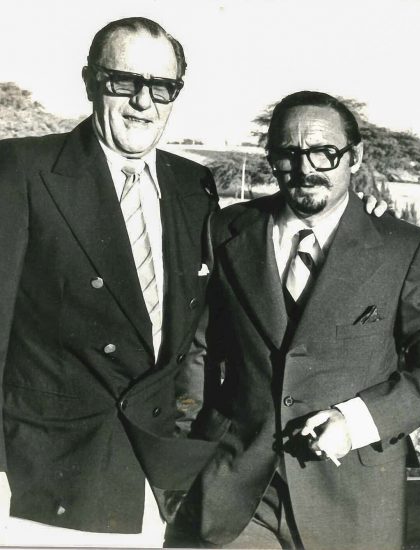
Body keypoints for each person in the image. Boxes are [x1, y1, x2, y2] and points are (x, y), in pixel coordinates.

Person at [167, 91, 420, 550]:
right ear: (271, 158)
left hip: (353, 504)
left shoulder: (402, 247)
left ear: (355, 156)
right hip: (235, 497)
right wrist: (183, 465)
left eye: (324, 152)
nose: (305, 168)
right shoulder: (227, 230)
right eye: (288, 153)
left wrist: (356, 421)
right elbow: (198, 353)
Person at [0, 17, 219, 547]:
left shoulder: (194, 184)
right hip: (39, 476)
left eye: (161, 87)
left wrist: (357, 216)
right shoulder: (21, 169)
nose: (143, 102)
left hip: (150, 474)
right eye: (125, 81)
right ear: (90, 82)